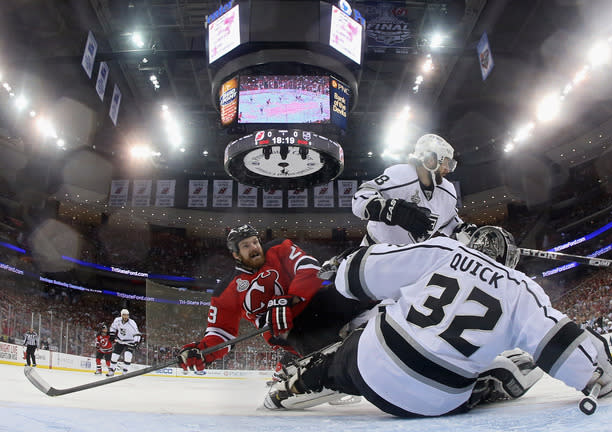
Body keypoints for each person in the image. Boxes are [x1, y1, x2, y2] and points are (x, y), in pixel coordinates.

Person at [265, 234, 612, 417]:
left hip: (372, 368)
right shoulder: (521, 289)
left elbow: (359, 277)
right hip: (437, 400)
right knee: (476, 372)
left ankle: (309, 378)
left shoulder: (445, 250)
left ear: (472, 242)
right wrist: (599, 373)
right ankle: (482, 383)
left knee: (354, 350)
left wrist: (342, 266)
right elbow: (561, 345)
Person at [177, 224, 371, 377]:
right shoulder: (225, 290)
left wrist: (287, 300)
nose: (254, 248)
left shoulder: (279, 248)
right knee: (335, 361)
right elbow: (221, 332)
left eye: (255, 242)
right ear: (236, 255)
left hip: (316, 303)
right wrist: (202, 351)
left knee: (361, 290)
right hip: (290, 331)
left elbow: (310, 268)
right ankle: (298, 364)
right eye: (246, 245)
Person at [352, 133, 476, 246]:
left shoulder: (448, 190)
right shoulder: (401, 174)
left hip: (411, 258)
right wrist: (392, 209)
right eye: (446, 163)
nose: (448, 169)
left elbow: (449, 223)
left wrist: (468, 233)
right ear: (430, 160)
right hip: (375, 251)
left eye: (451, 165)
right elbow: (360, 198)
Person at [107, 309, 141, 377]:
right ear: (121, 315)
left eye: (127, 315)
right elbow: (113, 327)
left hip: (130, 341)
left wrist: (136, 342)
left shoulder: (132, 323)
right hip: (120, 340)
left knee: (128, 355)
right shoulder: (117, 320)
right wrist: (112, 335)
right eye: (124, 315)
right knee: (114, 355)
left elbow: (136, 333)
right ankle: (111, 370)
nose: (126, 317)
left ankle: (125, 372)